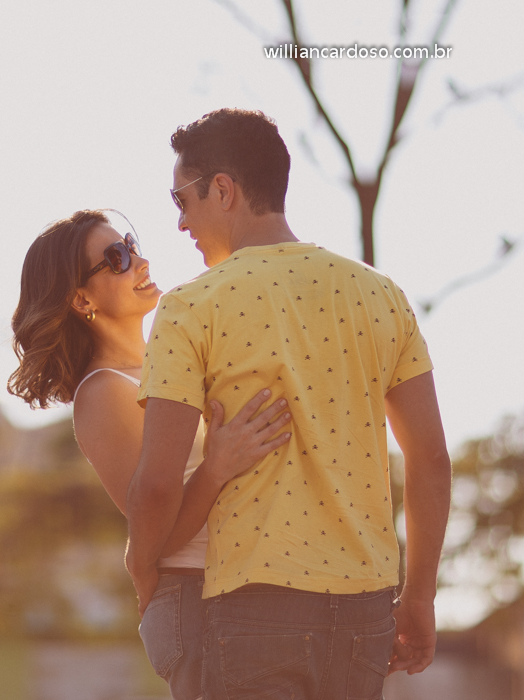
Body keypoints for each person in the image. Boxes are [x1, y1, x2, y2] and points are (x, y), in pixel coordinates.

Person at [124, 108, 452, 700]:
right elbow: (430, 459)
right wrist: (420, 596)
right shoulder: (383, 297)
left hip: (253, 609)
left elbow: (154, 487)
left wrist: (142, 567)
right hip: (365, 612)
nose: (179, 222)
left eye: (182, 199)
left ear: (222, 189)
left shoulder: (192, 307)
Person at [8, 208, 292, 699]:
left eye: (132, 245)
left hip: (241, 592)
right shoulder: (103, 392)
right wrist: (218, 466)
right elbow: (156, 532)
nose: (139, 261)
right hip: (195, 600)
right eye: (116, 257)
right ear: (81, 298)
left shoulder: (172, 364)